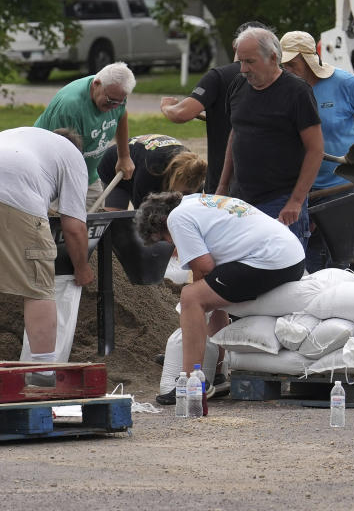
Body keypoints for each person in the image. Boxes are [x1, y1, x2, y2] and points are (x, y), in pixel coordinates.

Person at [135, 191, 305, 399]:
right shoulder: (195, 200)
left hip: (271, 260)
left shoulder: (176, 219)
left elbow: (204, 268)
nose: (171, 247)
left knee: (192, 297)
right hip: (290, 254)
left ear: (162, 223)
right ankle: (215, 374)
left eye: (164, 240)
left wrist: (194, 311)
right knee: (209, 294)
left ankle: (191, 383)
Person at [216, 27, 324, 248]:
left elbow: (315, 149)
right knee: (241, 264)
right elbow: (235, 134)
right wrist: (222, 186)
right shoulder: (238, 85)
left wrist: (296, 201)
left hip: (281, 201)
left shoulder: (297, 92)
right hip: (241, 201)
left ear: (273, 58)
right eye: (241, 62)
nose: (244, 69)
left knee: (284, 272)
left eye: (250, 62)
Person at [0, 127, 93, 384]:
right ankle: (42, 373)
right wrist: (82, 268)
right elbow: (74, 227)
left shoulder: (22, 136)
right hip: (15, 197)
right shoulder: (72, 157)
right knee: (39, 287)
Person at [279, 30, 354, 193]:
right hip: (301, 189)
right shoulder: (282, 89)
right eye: (283, 65)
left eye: (292, 65)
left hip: (345, 186)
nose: (286, 70)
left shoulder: (343, 83)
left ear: (309, 61)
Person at [160, 21, 269, 193]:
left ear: (235, 46)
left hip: (224, 185)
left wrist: (167, 107)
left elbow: (182, 114)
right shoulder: (281, 78)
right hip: (270, 184)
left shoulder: (218, 77)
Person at [34, 62, 137, 208]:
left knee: (94, 224)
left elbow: (122, 115)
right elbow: (59, 158)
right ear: (96, 84)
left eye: (118, 102)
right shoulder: (70, 107)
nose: (114, 106)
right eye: (110, 101)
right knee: (62, 227)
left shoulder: (116, 95)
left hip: (87, 174)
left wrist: (124, 156)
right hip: (55, 177)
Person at [96, 135, 207, 210]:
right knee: (117, 219)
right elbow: (140, 214)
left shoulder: (194, 171)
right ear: (177, 176)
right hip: (115, 166)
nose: (183, 196)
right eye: (184, 192)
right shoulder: (151, 170)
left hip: (145, 164)